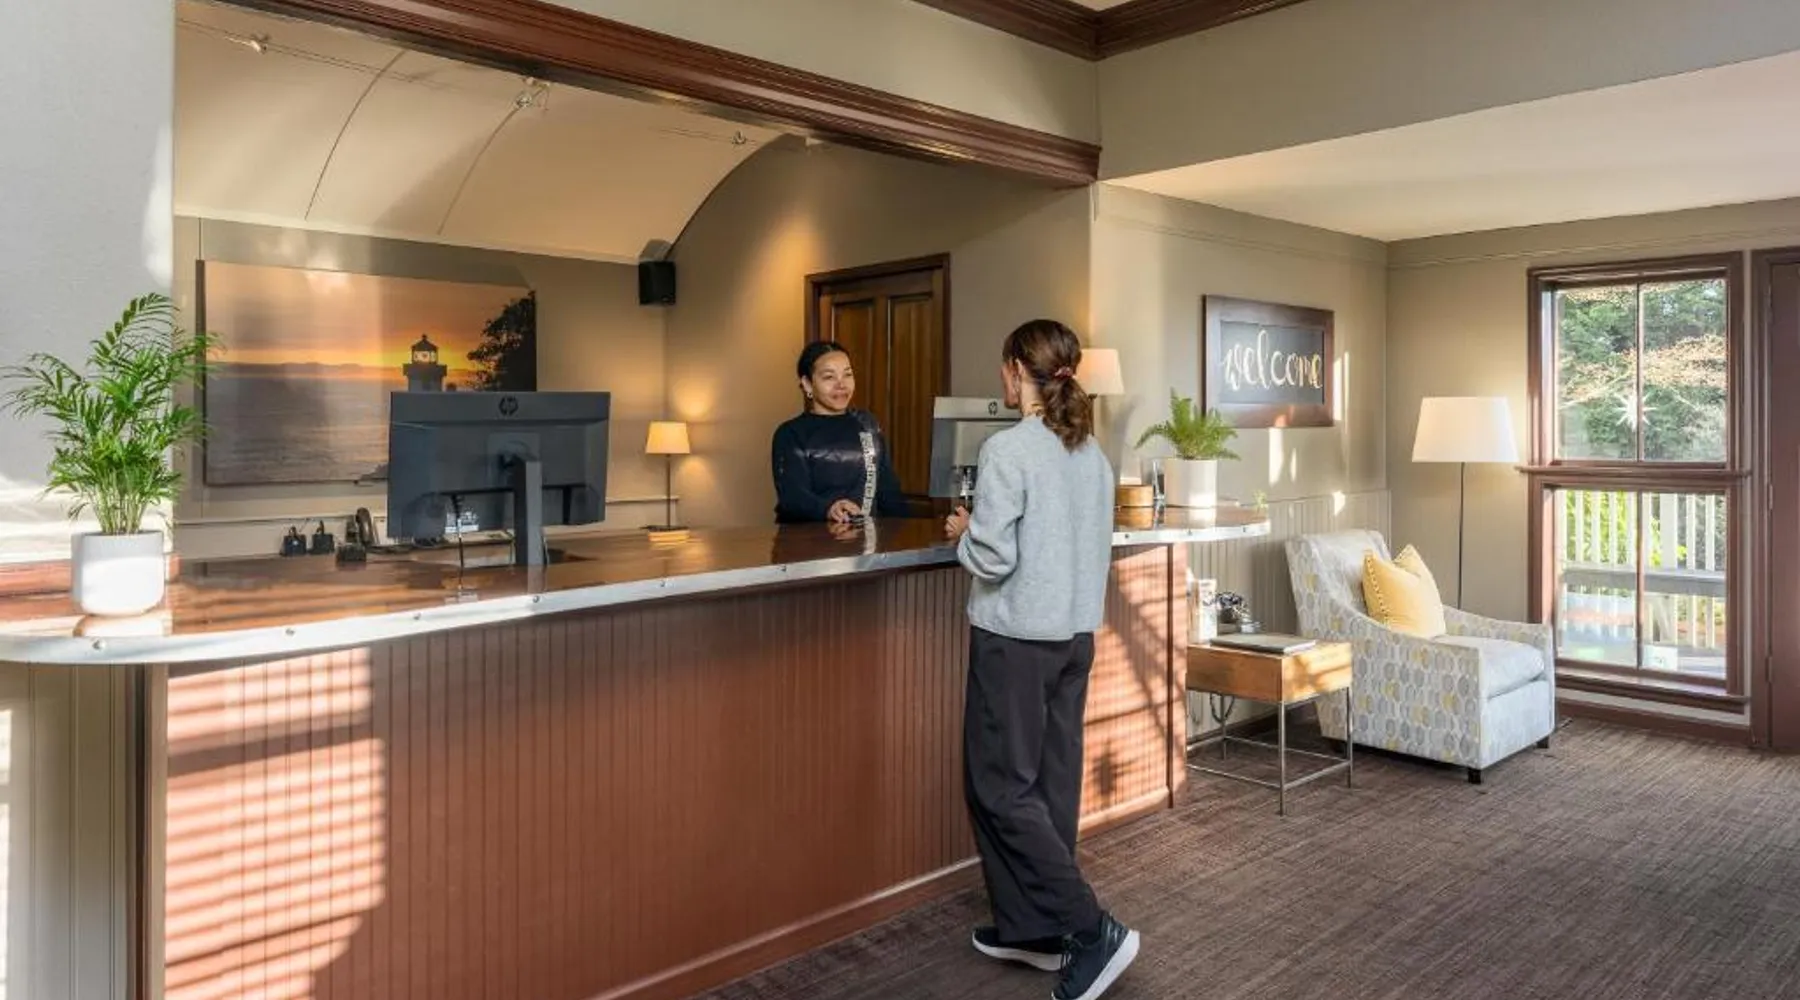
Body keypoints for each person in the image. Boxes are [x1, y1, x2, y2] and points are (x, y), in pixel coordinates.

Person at [943, 320, 1137, 1000]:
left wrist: (964, 534)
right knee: (1049, 785)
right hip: (1074, 638)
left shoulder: (1009, 449)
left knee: (1000, 788)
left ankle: (1088, 927)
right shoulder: (1091, 453)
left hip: (1017, 640)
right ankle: (1035, 931)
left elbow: (994, 557)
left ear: (1014, 370)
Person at [770, 340, 907, 523]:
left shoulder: (867, 424)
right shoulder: (790, 434)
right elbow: (794, 497)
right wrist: (828, 509)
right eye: (829, 377)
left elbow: (889, 491)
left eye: (847, 375)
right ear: (807, 384)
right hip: (808, 538)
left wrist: (911, 529)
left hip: (864, 537)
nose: (841, 384)